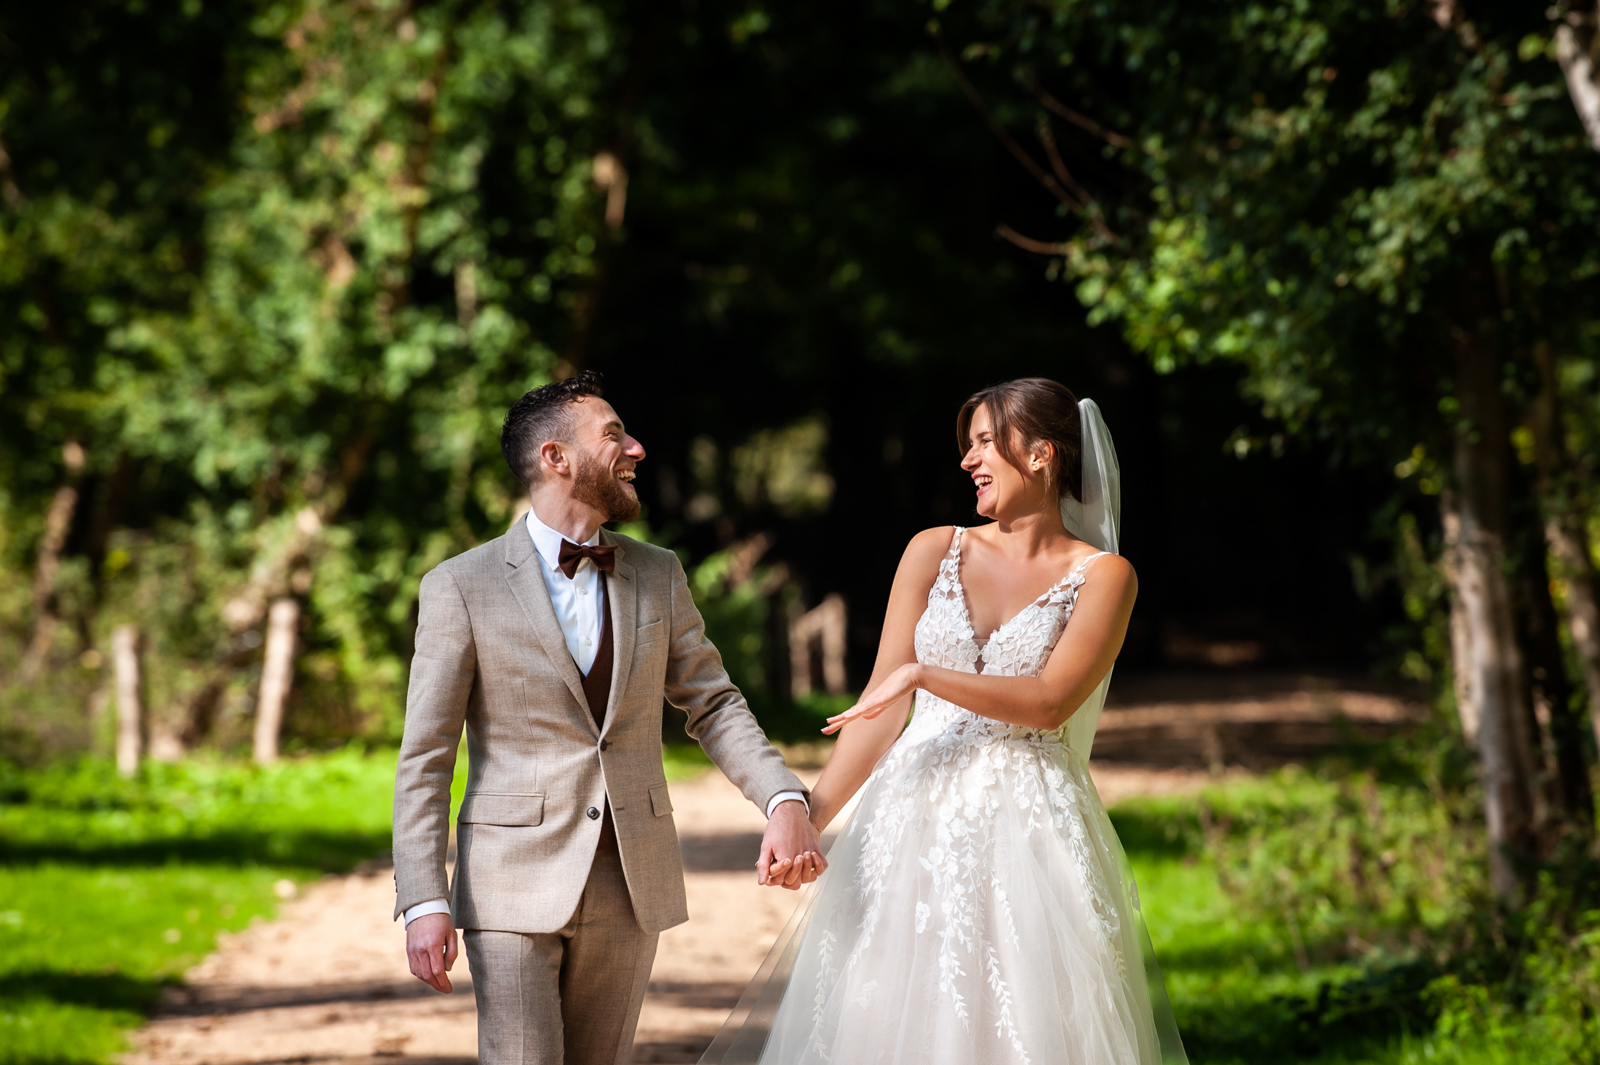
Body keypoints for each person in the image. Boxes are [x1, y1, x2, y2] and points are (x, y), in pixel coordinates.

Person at [702, 377, 1188, 1064]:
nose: (968, 459)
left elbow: (1051, 700)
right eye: (968, 445)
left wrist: (927, 674)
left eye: (986, 442)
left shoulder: (1106, 576)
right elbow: (878, 709)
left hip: (1031, 827)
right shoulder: (933, 549)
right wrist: (806, 816)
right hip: (911, 819)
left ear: (1044, 454)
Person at [392, 370, 827, 1065]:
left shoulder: (658, 573)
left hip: (631, 879)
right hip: (510, 880)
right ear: (555, 457)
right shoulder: (460, 585)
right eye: (615, 433)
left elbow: (713, 702)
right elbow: (427, 754)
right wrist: (422, 898)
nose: (637, 449)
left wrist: (781, 797)